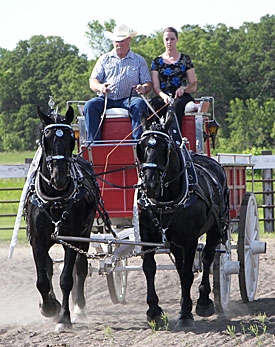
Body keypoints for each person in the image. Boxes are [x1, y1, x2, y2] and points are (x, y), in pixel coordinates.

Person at [84, 24, 152, 141]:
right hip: (106, 99)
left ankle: (137, 142)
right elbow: (93, 81)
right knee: (90, 105)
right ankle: (93, 144)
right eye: (116, 41)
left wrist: (143, 88)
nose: (118, 44)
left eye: (122, 41)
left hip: (129, 99)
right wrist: (100, 87)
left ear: (129, 40)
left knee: (140, 104)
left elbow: (148, 83)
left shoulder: (139, 60)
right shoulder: (104, 59)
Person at [150, 27, 198, 128]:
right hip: (163, 95)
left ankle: (176, 138)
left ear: (177, 40)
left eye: (172, 39)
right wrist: (164, 97)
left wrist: (183, 89)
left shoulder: (185, 59)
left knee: (176, 106)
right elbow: (156, 88)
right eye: (166, 39)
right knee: (153, 105)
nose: (169, 42)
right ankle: (155, 138)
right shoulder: (157, 61)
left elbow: (193, 84)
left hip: (181, 95)